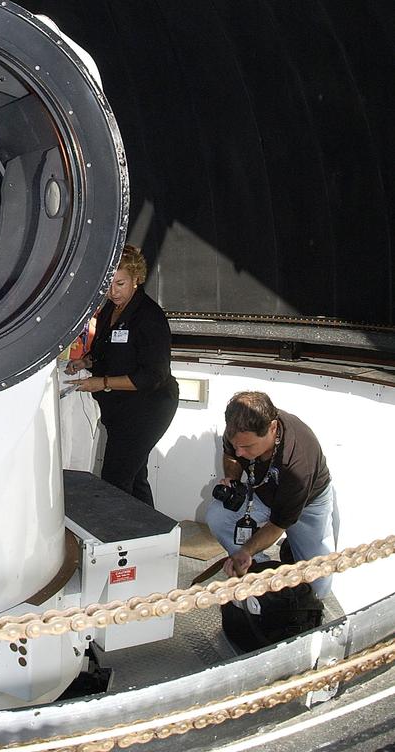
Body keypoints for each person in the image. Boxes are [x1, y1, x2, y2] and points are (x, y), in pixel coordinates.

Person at [67, 245, 179, 506]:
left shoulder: (149, 317)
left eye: (120, 284)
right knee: (135, 477)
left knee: (115, 480)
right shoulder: (109, 310)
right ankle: (150, 537)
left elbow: (153, 376)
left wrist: (101, 383)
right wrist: (85, 361)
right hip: (120, 408)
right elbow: (105, 353)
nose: (113, 291)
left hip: (149, 408)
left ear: (136, 279)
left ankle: (118, 542)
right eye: (108, 284)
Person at [206, 391, 335, 599]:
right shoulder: (238, 428)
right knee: (218, 515)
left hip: (308, 502)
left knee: (318, 585)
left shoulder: (299, 462)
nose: (239, 452)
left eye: (247, 447)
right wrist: (233, 480)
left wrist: (246, 549)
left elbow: (277, 525)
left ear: (272, 428)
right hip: (263, 491)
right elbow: (231, 455)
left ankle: (272, 556)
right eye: (236, 444)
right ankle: (259, 569)